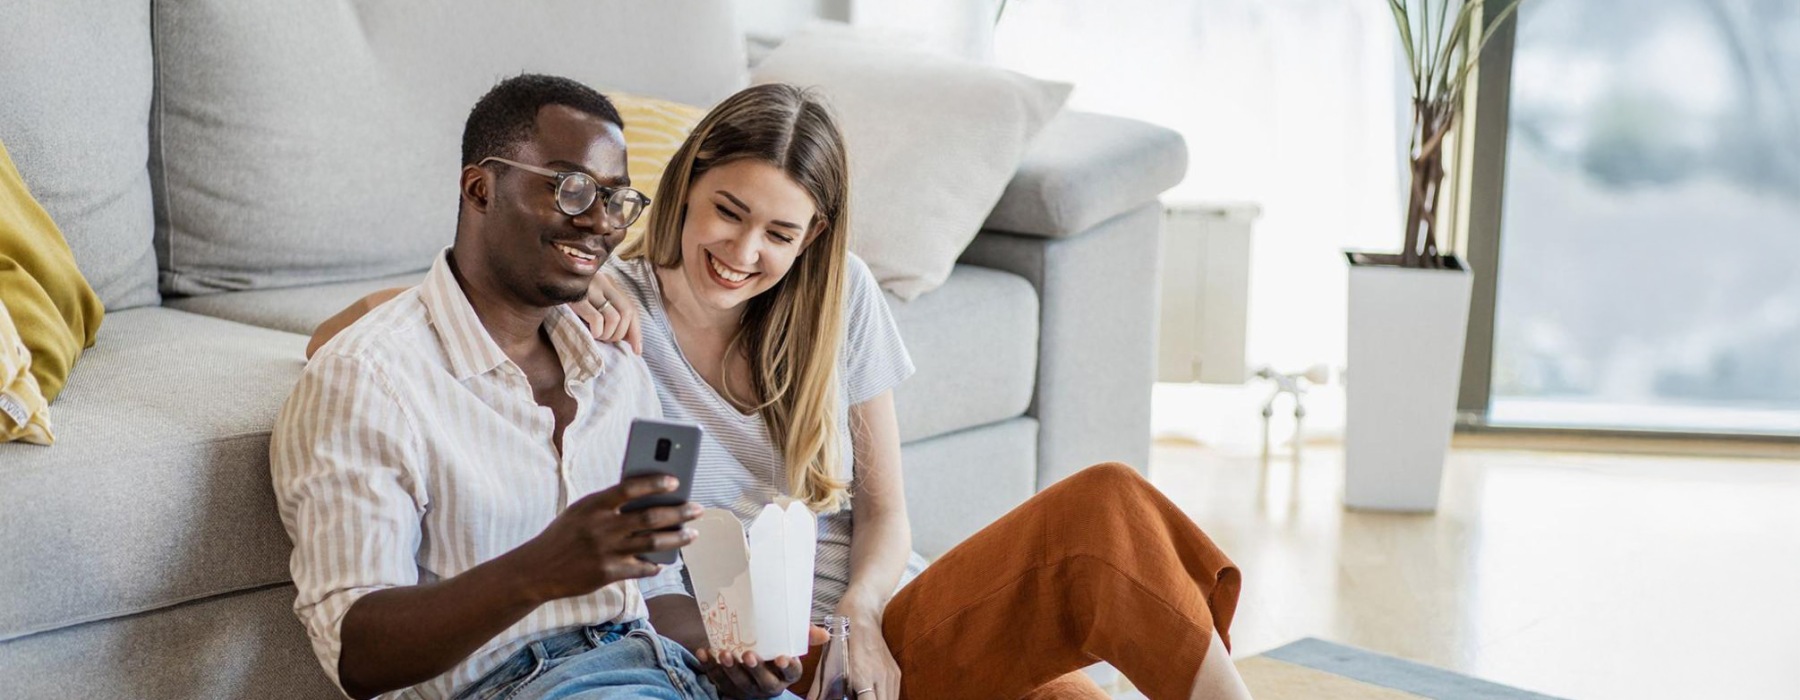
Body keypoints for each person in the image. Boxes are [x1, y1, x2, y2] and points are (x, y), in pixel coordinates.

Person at [310, 83, 1252, 700]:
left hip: (876, 625)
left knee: (1085, 631)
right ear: (686, 186)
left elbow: (887, 516)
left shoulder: (837, 300)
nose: (744, 252)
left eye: (781, 234)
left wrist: (865, 619)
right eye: (728, 211)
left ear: (813, 241)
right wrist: (587, 275)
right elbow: (360, 331)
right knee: (1099, 526)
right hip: (754, 649)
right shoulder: (607, 313)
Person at [274, 74, 811, 700]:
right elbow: (355, 654)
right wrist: (540, 569)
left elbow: (656, 588)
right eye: (571, 189)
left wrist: (724, 650)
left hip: (665, 672)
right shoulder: (368, 379)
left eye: (614, 200)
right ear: (480, 187)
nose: (599, 224)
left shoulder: (618, 368)